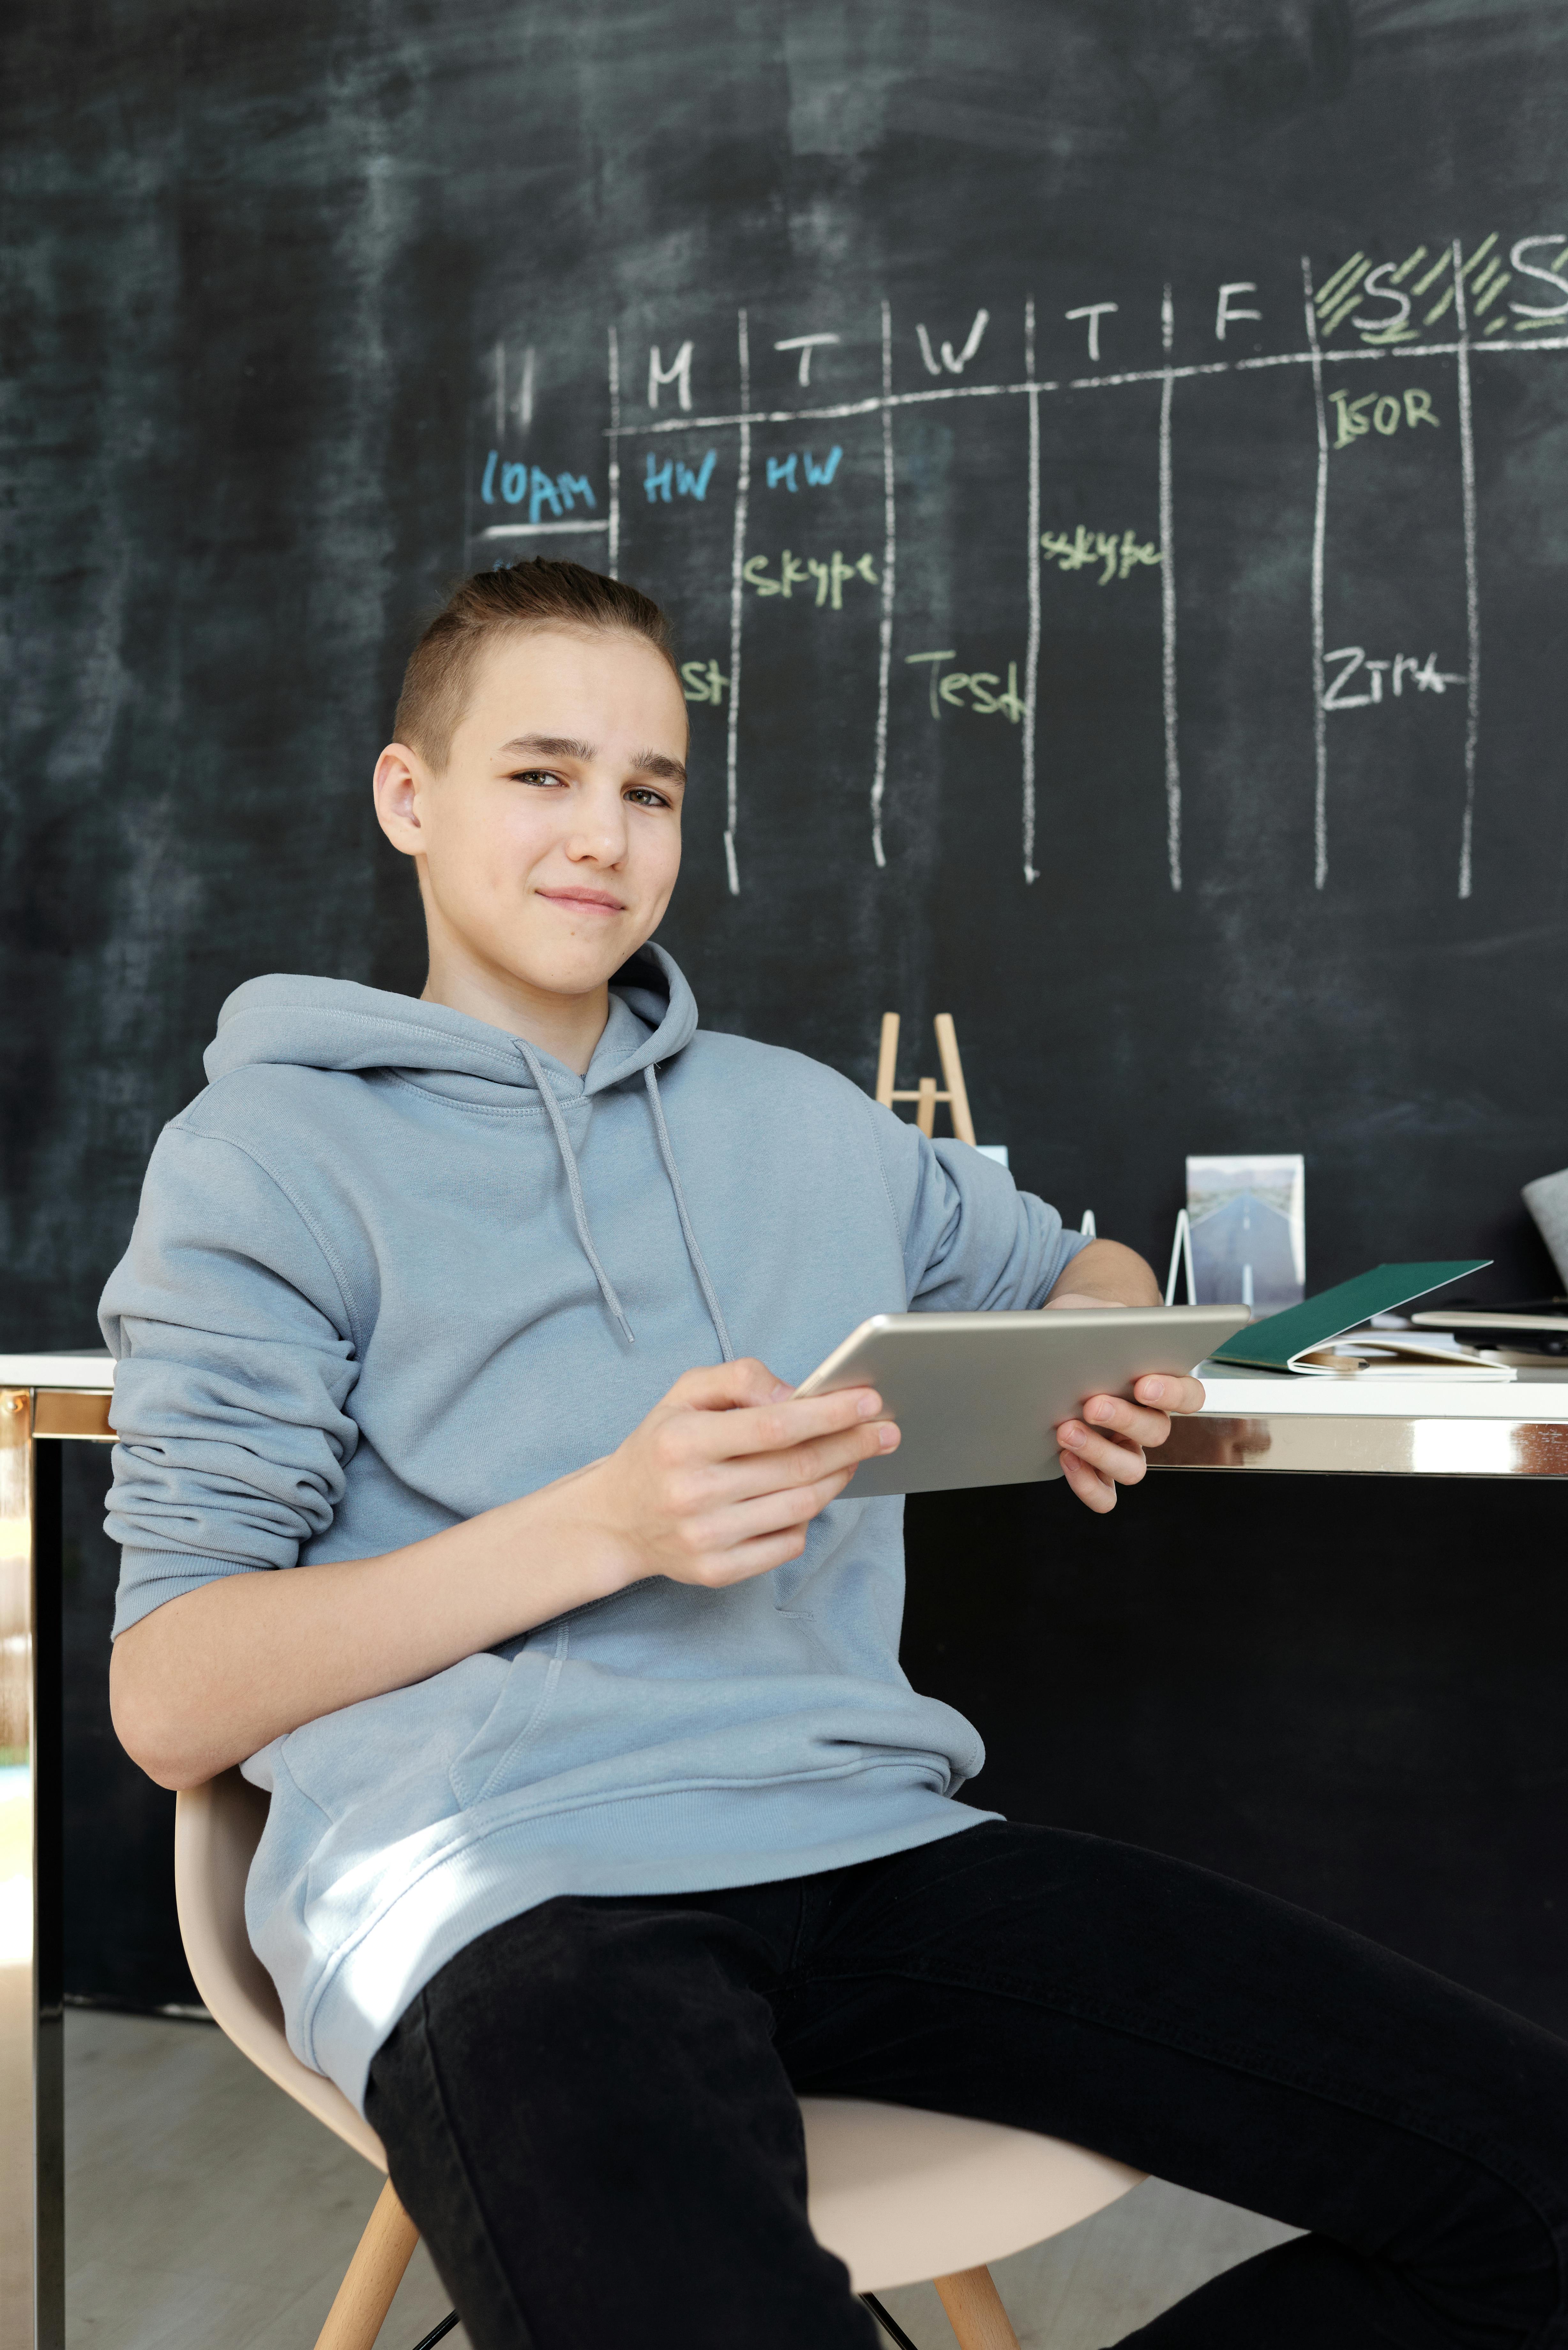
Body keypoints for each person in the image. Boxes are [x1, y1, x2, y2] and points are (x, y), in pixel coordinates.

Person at [103, 561, 1568, 2350]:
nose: (606, 837)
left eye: (651, 790)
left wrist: (1104, 1362)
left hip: (872, 1845)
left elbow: (1072, 1263)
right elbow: (174, 1696)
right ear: (410, 799)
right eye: (542, 774)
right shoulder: (264, 1155)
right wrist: (608, 1523)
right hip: (499, 1888)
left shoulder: (803, 1120)